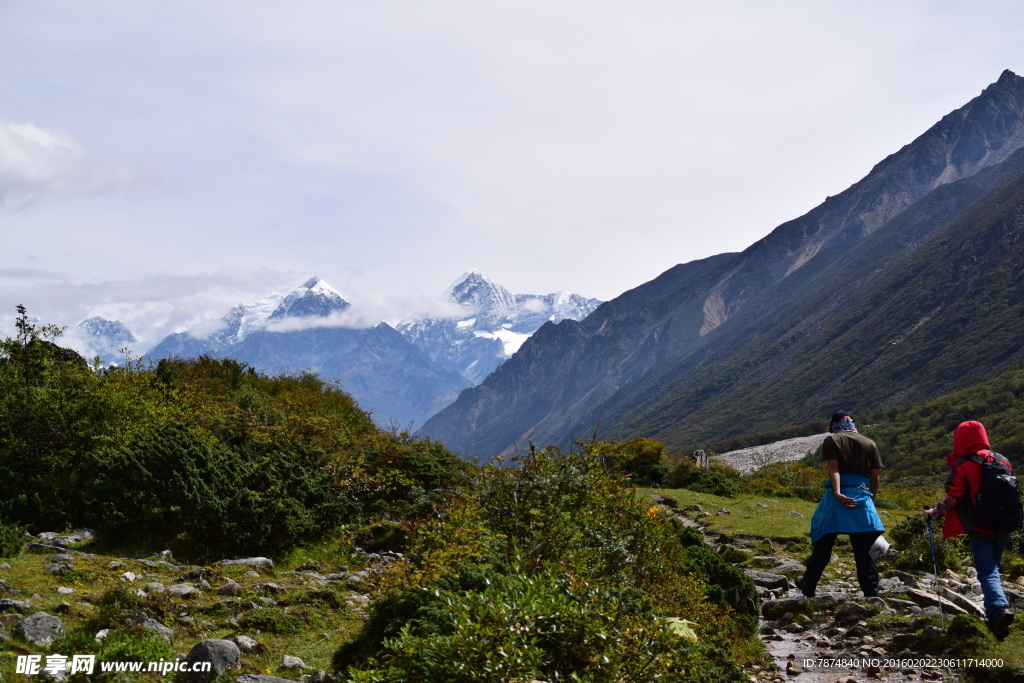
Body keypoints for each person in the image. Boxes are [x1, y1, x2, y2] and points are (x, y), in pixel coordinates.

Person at [924, 420, 1015, 639]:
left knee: (986, 570)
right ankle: (996, 616)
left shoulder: (964, 463)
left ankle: (999, 609)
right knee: (993, 568)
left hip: (980, 525)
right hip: (1006, 524)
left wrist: (934, 514)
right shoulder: (1003, 459)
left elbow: (954, 496)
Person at [795, 412, 885, 598]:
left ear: (834, 425)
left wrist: (837, 493)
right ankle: (872, 593)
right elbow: (874, 476)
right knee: (862, 549)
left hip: (836, 498)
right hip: (862, 495)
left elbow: (833, 468)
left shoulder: (833, 440)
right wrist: (872, 499)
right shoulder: (869, 443)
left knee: (824, 543)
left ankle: (809, 584)